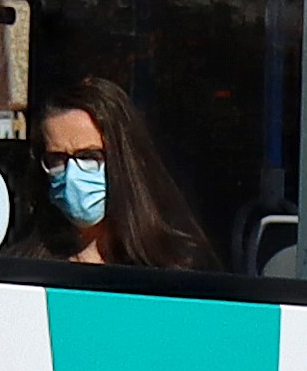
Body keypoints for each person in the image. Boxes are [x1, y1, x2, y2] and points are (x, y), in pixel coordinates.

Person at [29, 73, 207, 272]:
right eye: (57, 159)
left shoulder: (178, 266)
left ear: (123, 159)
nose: (72, 175)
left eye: (89, 156)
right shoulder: (25, 269)